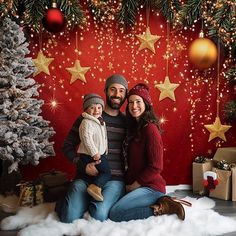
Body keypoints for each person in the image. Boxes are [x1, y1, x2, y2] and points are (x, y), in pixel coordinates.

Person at [55, 74, 128, 223]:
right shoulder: (87, 118)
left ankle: (89, 201)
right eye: (113, 90)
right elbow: (67, 146)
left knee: (99, 215)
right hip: (85, 177)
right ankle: (71, 199)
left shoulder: (127, 122)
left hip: (113, 179)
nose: (117, 94)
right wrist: (82, 166)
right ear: (106, 91)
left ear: (125, 94)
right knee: (68, 216)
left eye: (121, 91)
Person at [109, 83, 185, 222]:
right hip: (137, 185)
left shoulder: (150, 129)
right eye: (131, 102)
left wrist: (133, 186)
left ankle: (163, 207)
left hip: (150, 187)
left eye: (138, 101)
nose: (134, 106)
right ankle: (160, 201)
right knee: (112, 206)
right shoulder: (134, 128)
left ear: (146, 104)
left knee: (116, 214)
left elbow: (156, 166)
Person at [78, 93, 110, 202]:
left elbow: (103, 138)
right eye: (92, 107)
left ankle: (94, 187)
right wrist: (94, 153)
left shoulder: (100, 120)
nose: (96, 110)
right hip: (90, 155)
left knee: (102, 171)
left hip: (99, 153)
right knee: (106, 172)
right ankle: (95, 186)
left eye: (99, 107)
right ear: (86, 109)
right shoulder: (86, 122)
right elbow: (86, 138)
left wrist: (105, 150)